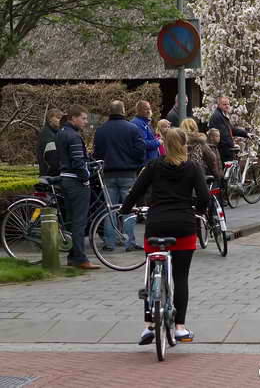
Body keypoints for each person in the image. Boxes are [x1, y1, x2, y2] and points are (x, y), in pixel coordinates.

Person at [119, 128, 209, 345]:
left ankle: (148, 326)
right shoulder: (193, 167)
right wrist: (198, 211)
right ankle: (180, 328)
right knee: (181, 277)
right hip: (184, 225)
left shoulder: (153, 166)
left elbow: (136, 191)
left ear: (165, 145)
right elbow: (204, 196)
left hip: (157, 225)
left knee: (152, 277)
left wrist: (125, 209)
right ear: (185, 145)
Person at [93, 101, 146, 252]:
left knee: (110, 210)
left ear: (109, 112)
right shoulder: (132, 128)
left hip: (108, 174)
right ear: (123, 111)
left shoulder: (101, 130)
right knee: (129, 209)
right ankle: (130, 242)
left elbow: (97, 153)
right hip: (128, 173)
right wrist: (136, 164)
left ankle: (110, 242)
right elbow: (140, 150)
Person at [56, 105, 100, 270]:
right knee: (79, 221)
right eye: (83, 118)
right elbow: (77, 162)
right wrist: (86, 177)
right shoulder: (74, 136)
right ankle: (81, 258)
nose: (85, 121)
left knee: (71, 219)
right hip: (76, 182)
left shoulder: (61, 133)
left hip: (65, 179)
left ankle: (72, 256)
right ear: (73, 118)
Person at [208, 96, 248, 163]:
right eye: (224, 104)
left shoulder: (222, 115)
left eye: (228, 104)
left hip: (225, 149)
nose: (227, 106)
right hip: (223, 150)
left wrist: (245, 134)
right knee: (227, 168)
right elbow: (223, 134)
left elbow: (231, 129)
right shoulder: (217, 116)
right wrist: (232, 145)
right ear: (219, 105)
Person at [37, 108, 63, 176]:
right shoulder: (47, 135)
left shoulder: (56, 133)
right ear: (50, 119)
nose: (60, 120)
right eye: (58, 118)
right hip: (50, 176)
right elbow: (53, 160)